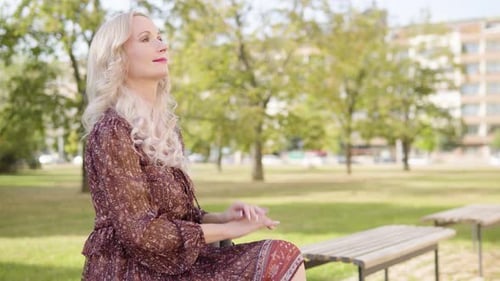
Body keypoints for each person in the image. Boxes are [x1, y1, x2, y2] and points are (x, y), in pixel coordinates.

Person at [81, 11, 306, 281]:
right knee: (279, 257)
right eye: (146, 39)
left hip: (174, 263)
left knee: (283, 256)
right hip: (133, 270)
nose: (161, 45)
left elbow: (181, 218)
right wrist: (228, 231)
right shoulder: (112, 131)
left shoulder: (163, 129)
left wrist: (223, 218)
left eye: (160, 37)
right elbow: (142, 233)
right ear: (117, 57)